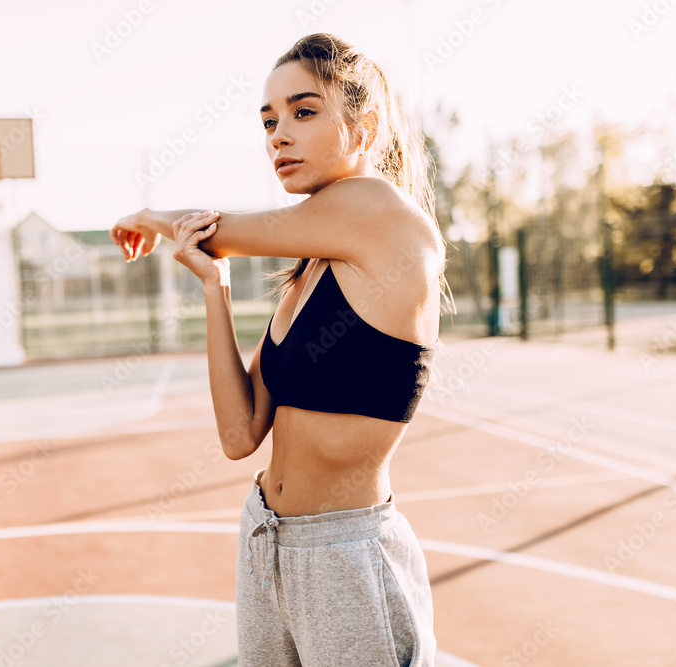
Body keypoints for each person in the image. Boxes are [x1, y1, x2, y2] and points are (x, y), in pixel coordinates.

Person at [110, 32, 451, 667]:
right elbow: (241, 434)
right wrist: (216, 291)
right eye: (268, 120)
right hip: (265, 534)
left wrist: (149, 216)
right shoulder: (309, 269)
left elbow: (217, 231)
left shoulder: (377, 210)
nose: (278, 135)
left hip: (345, 551)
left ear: (363, 126)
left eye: (303, 111)